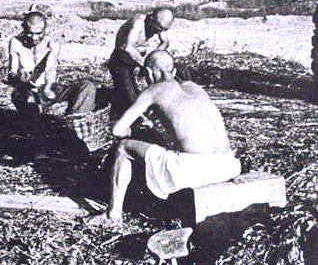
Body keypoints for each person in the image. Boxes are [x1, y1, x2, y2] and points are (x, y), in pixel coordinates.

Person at [89, 50, 241, 226]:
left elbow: (117, 130)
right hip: (229, 165)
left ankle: (112, 215)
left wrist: (132, 132)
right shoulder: (194, 87)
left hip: (196, 169)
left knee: (123, 148)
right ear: (173, 71)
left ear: (148, 73)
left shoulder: (154, 90)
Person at [8, 11, 97, 158]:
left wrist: (48, 86)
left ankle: (73, 129)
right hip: (25, 90)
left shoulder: (52, 44)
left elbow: (50, 67)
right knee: (28, 99)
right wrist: (19, 75)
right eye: (30, 33)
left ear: (45, 29)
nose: (34, 38)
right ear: (23, 28)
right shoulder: (15, 43)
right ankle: (40, 146)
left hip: (47, 88)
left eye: (39, 33)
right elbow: (12, 70)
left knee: (87, 86)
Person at [108, 8, 174, 114]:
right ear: (151, 18)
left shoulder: (159, 25)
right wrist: (146, 63)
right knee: (130, 98)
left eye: (163, 29)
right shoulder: (138, 23)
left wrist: (154, 57)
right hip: (122, 60)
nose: (159, 31)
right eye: (159, 28)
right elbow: (128, 48)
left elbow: (165, 42)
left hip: (138, 59)